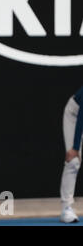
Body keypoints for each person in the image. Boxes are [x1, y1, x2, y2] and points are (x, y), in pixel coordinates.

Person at [59, 87, 83, 223]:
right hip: (75, 115)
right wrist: (75, 147)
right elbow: (81, 117)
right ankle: (66, 208)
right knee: (73, 161)